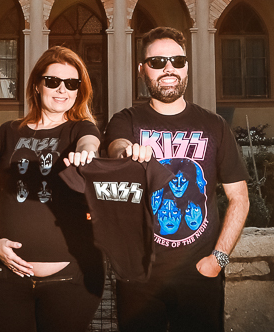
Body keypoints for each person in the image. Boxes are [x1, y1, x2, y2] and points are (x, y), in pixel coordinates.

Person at [105, 26, 250, 332]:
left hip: (199, 277)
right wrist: (126, 151)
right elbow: (116, 146)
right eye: (157, 62)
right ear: (142, 70)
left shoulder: (214, 126)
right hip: (139, 278)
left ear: (186, 67)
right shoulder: (126, 120)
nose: (168, 68)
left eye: (177, 61)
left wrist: (218, 260)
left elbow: (239, 198)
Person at [0, 46, 104, 332]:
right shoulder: (9, 131)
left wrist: (86, 153)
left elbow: (90, 142)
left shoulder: (80, 130)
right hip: (5, 277)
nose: (62, 90)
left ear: (79, 90)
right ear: (37, 84)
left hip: (70, 281)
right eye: (53, 81)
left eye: (71, 84)